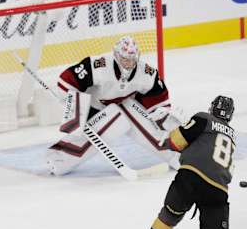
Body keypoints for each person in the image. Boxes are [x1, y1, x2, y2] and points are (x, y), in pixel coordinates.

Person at [137, 95, 247, 229]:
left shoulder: (203, 118)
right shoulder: (232, 136)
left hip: (191, 177)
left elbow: (175, 142)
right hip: (218, 188)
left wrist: (168, 135)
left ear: (211, 109)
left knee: (169, 215)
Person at [45, 36, 183, 176]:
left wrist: (162, 115)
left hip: (119, 108)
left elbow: (159, 100)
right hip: (91, 111)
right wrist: (76, 112)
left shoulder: (146, 73)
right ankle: (58, 157)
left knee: (126, 110)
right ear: (116, 55)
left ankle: (177, 156)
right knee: (118, 117)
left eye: (132, 58)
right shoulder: (98, 65)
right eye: (125, 58)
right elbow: (66, 81)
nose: (129, 63)